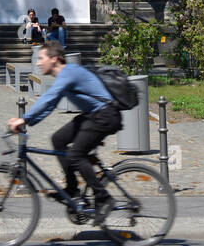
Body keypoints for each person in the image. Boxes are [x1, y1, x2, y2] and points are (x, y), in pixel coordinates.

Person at [7, 40, 122, 224]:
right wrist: (28, 121)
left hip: (105, 115)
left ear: (54, 59)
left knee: (76, 154)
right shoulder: (63, 76)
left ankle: (104, 197)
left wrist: (24, 119)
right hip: (93, 115)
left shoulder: (67, 74)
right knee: (58, 139)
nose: (37, 63)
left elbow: (48, 97)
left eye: (41, 58)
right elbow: (50, 104)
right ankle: (72, 190)